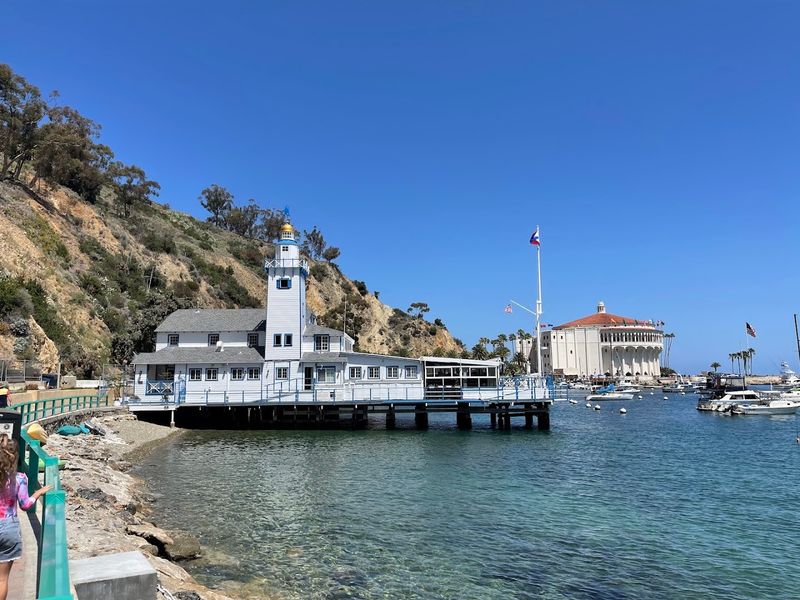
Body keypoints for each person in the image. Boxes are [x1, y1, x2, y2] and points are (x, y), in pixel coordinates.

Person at [0, 434, 50, 600]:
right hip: (9, 528)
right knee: (2, 578)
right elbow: (25, 505)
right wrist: (37, 493)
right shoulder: (19, 479)